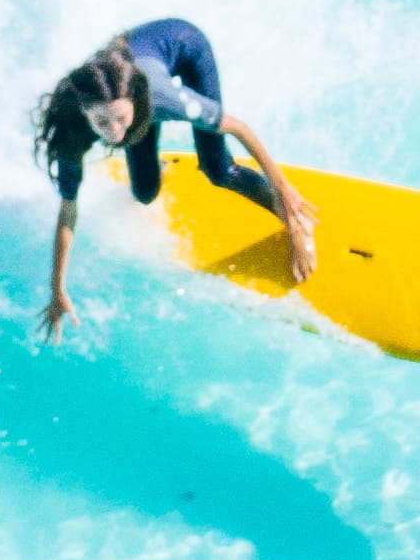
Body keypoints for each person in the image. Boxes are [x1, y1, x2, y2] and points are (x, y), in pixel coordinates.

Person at [33, 18, 315, 336]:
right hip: (138, 92)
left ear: (134, 103)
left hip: (186, 47)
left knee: (219, 169)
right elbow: (68, 209)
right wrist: (57, 289)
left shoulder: (161, 99)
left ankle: (297, 222)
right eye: (102, 122)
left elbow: (237, 127)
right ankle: (161, 166)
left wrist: (285, 193)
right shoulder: (74, 130)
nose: (113, 132)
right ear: (85, 111)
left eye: (120, 119)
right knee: (144, 193)